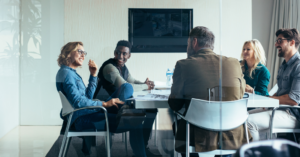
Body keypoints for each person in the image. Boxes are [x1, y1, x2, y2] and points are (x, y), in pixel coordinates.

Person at [168, 26, 252, 157]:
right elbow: (239, 96)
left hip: (198, 138)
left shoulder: (183, 65)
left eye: (187, 43)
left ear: (194, 42)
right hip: (233, 135)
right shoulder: (235, 63)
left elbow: (175, 104)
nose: (187, 47)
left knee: (178, 123)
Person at [56, 41, 147, 156]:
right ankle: (122, 114)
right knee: (136, 121)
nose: (83, 55)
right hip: (84, 120)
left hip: (86, 114)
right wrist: (104, 104)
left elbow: (87, 98)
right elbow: (78, 102)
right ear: (68, 53)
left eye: (84, 52)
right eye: (80, 52)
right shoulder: (67, 74)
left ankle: (122, 113)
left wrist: (93, 76)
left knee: (127, 87)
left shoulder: (69, 73)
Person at [93, 40, 158, 156]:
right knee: (135, 116)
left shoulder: (123, 67)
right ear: (114, 52)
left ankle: (143, 146)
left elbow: (132, 81)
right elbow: (125, 86)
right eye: (118, 53)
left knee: (152, 110)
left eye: (124, 54)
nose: (120, 56)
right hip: (104, 105)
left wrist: (145, 84)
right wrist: (145, 86)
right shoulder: (110, 67)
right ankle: (139, 150)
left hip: (117, 103)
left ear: (129, 55)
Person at [248, 28, 300, 141]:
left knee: (249, 122)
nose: (276, 44)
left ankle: (254, 153)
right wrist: (268, 101)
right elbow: (281, 91)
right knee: (243, 117)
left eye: (280, 41)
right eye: (276, 41)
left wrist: (268, 100)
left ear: (292, 42)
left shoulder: (298, 66)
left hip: (293, 114)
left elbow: (293, 99)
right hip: (280, 109)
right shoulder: (284, 65)